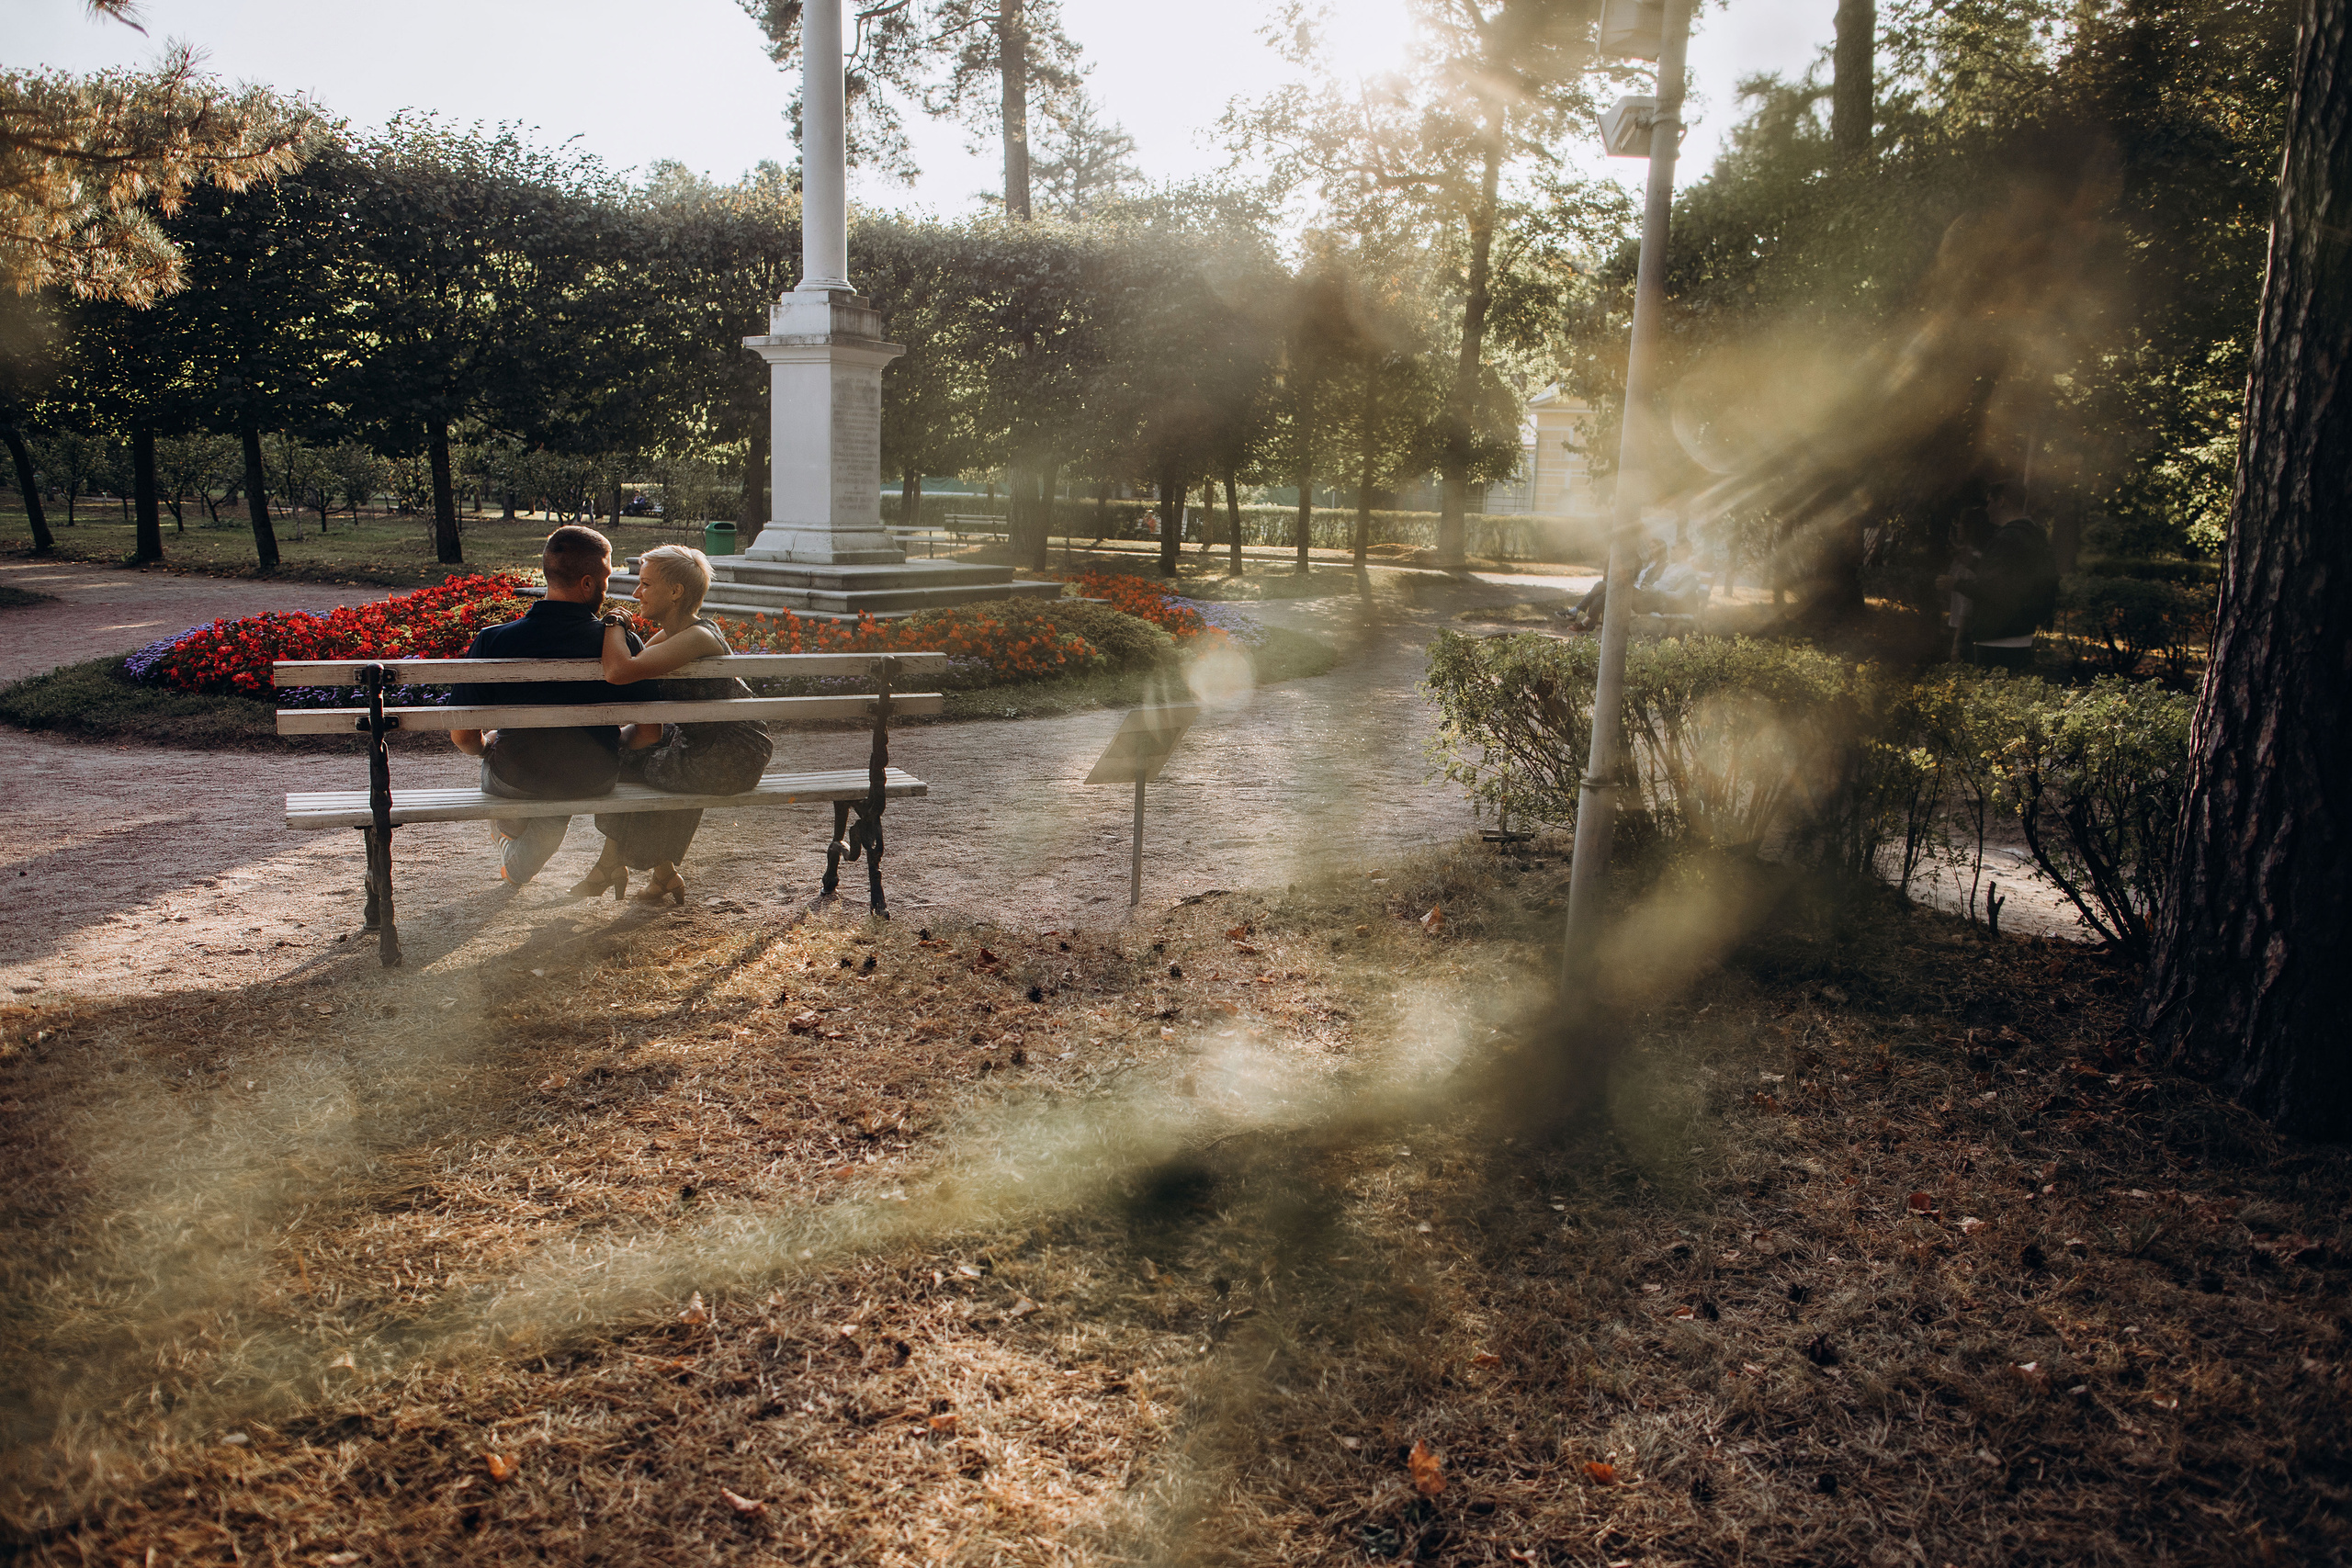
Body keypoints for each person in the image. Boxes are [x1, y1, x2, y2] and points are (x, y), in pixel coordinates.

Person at [568, 545, 774, 906]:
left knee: (632, 764)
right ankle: (660, 874)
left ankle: (613, 865)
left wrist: (613, 621)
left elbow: (619, 671)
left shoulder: (699, 637)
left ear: (676, 592)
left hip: (731, 755)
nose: (635, 594)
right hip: (705, 744)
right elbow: (636, 685)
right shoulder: (672, 637)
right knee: (631, 756)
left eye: (645, 584)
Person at [450, 526, 641, 887]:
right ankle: (515, 854)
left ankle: (510, 833)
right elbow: (649, 732)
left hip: (514, 778)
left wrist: (486, 748)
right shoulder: (621, 642)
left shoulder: (493, 640)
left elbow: (462, 736)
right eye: (606, 577)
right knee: (563, 781)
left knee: (531, 769)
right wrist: (610, 743)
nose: (607, 587)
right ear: (587, 584)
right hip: (593, 777)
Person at [1951, 486, 2058, 671]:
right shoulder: (2033, 534)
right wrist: (1973, 564)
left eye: (1990, 501)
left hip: (1997, 632)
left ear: (2001, 501)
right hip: (2022, 631)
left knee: (1988, 694)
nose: (1987, 509)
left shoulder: (2008, 537)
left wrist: (1957, 584)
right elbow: (2013, 580)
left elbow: (1993, 587)